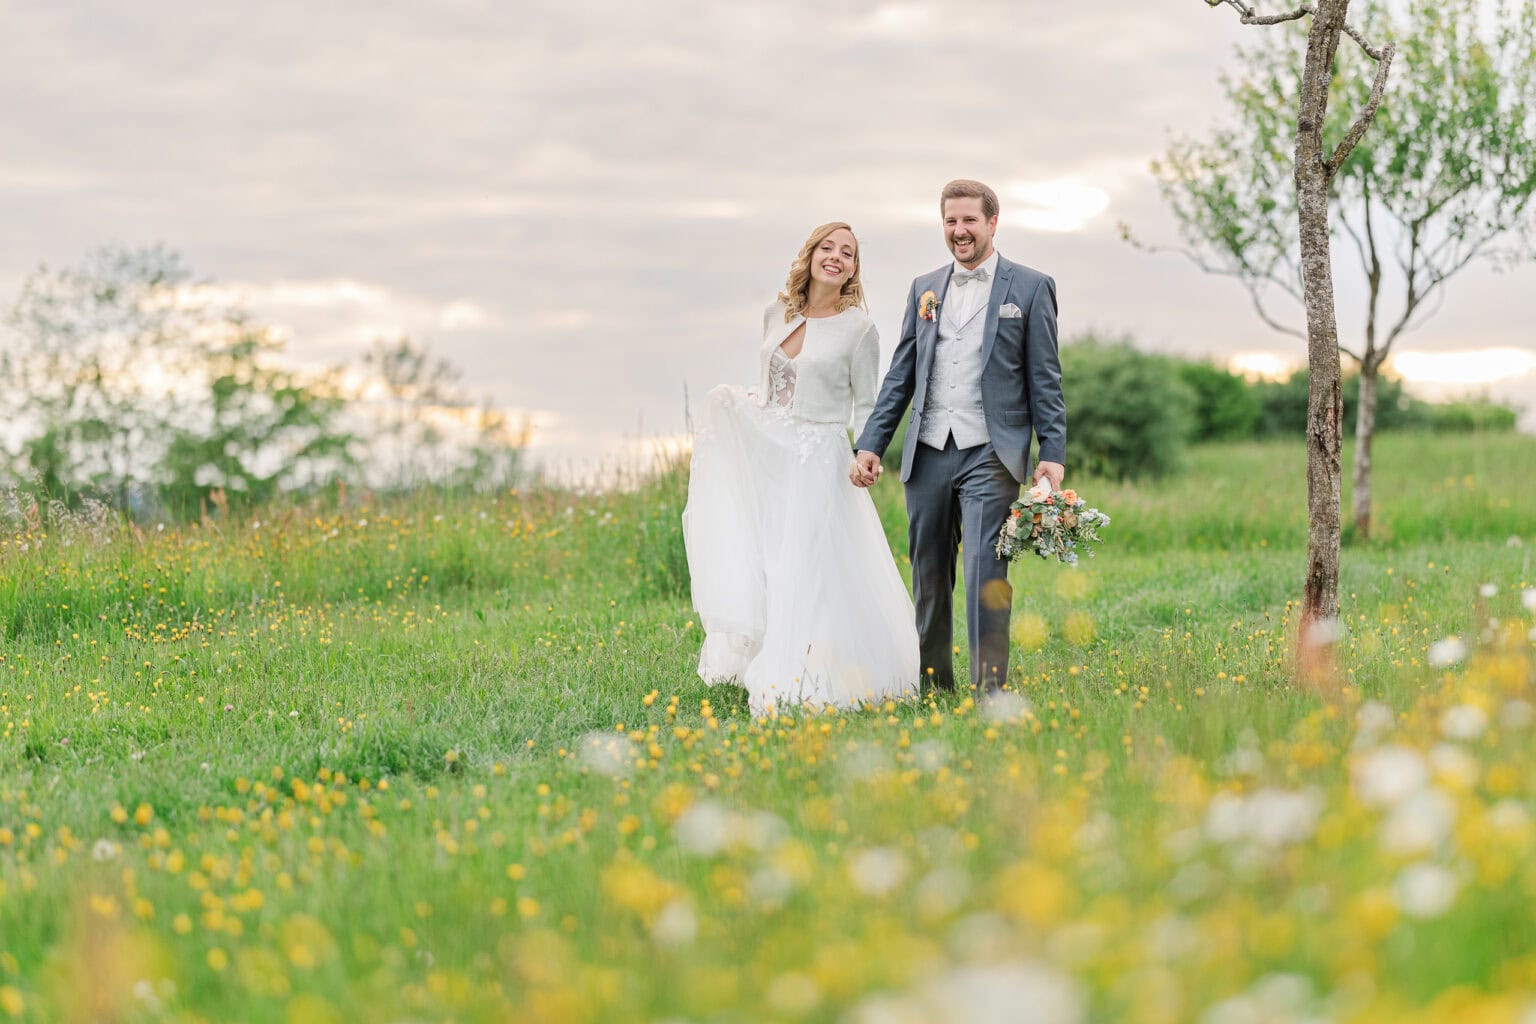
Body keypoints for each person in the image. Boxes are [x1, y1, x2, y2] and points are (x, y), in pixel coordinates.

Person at [683, 222, 920, 714]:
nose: (836, 257)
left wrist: (867, 453)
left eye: (848, 253)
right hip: (774, 450)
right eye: (828, 248)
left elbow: (867, 404)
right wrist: (742, 405)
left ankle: (814, 669)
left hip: (820, 456)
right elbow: (770, 385)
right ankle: (764, 648)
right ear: (810, 255)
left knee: (808, 561)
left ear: (854, 268)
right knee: (768, 553)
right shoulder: (777, 313)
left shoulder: (859, 328)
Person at [851, 179, 1066, 695]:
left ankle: (990, 690)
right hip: (927, 452)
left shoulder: (1032, 287)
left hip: (992, 453)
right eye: (950, 221)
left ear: (993, 222)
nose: (959, 230)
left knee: (985, 571)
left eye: (969, 220)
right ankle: (934, 688)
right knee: (928, 574)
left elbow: (1046, 378)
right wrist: (872, 442)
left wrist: (1051, 453)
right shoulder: (924, 287)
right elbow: (902, 373)